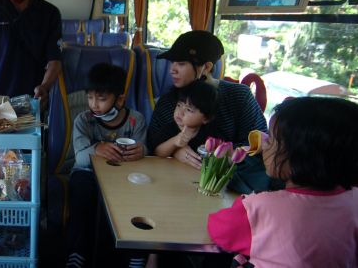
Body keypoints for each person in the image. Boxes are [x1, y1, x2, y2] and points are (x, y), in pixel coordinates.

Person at [208, 97, 358, 267]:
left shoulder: (259, 208)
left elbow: (218, 230)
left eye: (271, 140)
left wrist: (243, 203)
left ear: (302, 158)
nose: (264, 146)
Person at [147, 30, 272, 194]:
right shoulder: (169, 100)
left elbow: (260, 143)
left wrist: (222, 153)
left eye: (182, 64)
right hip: (175, 184)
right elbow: (152, 144)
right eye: (172, 63)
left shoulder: (239, 96)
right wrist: (175, 150)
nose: (172, 70)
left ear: (206, 67)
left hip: (225, 186)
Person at [66, 63, 147, 268]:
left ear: (119, 98)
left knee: (141, 195)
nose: (94, 104)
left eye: (101, 99)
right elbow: (80, 158)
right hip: (88, 174)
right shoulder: (83, 121)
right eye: (90, 97)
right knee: (81, 191)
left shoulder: (135, 121)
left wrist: (142, 151)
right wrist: (97, 148)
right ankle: (78, 251)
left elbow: (144, 150)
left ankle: (136, 253)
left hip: (124, 175)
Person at [153, 80, 218, 158]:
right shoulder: (169, 129)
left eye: (189, 110)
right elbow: (157, 152)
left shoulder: (211, 135)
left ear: (206, 119)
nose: (180, 112)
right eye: (179, 105)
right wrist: (174, 141)